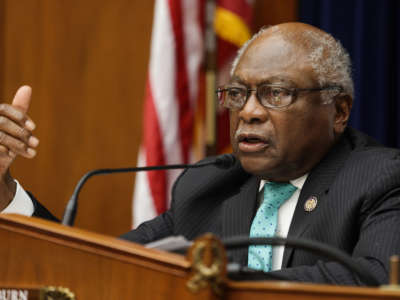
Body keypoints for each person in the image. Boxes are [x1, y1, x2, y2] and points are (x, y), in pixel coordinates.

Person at [0, 23, 399, 285]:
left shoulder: (380, 180)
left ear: (339, 111)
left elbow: (377, 281)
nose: (249, 112)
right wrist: (4, 192)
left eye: (276, 94)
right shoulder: (210, 185)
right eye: (238, 94)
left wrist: (215, 280)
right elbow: (97, 269)